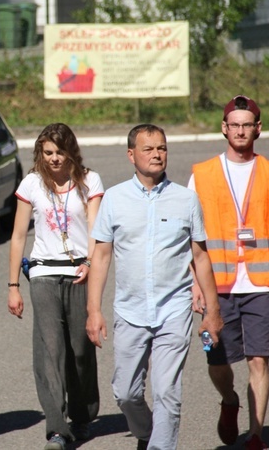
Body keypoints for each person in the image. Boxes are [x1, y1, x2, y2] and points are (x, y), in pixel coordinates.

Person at [85, 124, 224, 450]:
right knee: (126, 393)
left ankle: (160, 446)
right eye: (148, 149)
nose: (157, 154)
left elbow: (201, 258)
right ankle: (147, 434)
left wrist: (213, 312)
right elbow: (101, 256)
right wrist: (93, 311)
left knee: (166, 393)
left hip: (173, 311)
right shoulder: (115, 199)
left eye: (161, 148)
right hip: (130, 311)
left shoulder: (186, 200)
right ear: (131, 155)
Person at [189, 95, 269, 450]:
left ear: (258, 129)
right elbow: (192, 236)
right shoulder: (201, 174)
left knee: (259, 360)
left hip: (262, 283)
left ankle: (256, 435)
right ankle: (230, 399)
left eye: (247, 124)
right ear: (224, 128)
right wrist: (195, 285)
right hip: (216, 284)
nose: (240, 130)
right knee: (216, 357)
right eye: (234, 124)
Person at [7, 123, 101, 450]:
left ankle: (83, 415)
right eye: (48, 153)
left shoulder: (89, 181)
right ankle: (57, 428)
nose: (54, 159)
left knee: (79, 351)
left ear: (70, 150)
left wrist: (89, 263)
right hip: (43, 274)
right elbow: (19, 235)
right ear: (40, 153)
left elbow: (95, 229)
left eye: (60, 152)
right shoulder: (32, 183)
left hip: (79, 273)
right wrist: (13, 285)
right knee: (50, 351)